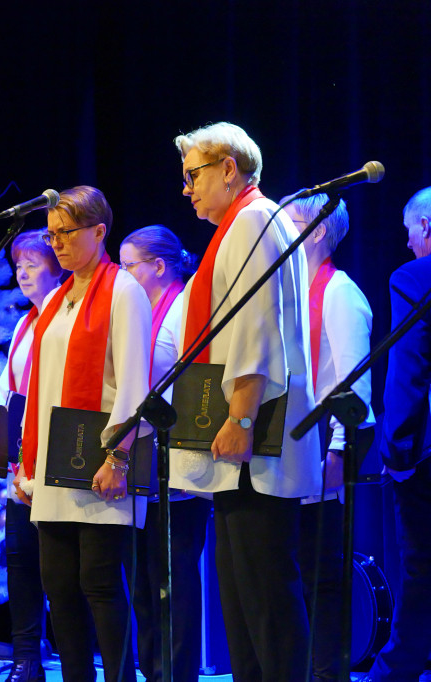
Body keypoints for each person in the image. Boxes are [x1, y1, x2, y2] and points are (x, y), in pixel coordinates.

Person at [170, 122, 321, 681]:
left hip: (255, 436)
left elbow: (256, 332)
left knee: (266, 599)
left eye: (194, 175)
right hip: (244, 444)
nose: (186, 189)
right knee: (240, 601)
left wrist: (238, 416)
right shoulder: (240, 224)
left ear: (229, 168)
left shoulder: (254, 219)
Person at [14, 186, 152, 682]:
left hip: (101, 464)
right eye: (51, 234)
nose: (56, 243)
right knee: (58, 584)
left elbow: (135, 381)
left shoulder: (124, 292)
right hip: (55, 466)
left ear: (98, 231)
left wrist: (118, 458)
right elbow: (38, 389)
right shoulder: (54, 301)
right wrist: (26, 463)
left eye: (66, 233)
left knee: (99, 583)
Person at [280, 192, 376, 681]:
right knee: (289, 579)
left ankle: (326, 675)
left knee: (321, 579)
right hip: (284, 452)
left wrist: (338, 451)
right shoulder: (286, 293)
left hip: (320, 450)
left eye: (289, 222)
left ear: (317, 231)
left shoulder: (338, 293)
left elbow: (352, 387)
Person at [118, 225, 210, 682]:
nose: (121, 274)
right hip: (141, 469)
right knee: (143, 584)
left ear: (158, 267)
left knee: (172, 583)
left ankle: (176, 674)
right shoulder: (138, 314)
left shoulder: (184, 306)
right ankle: (153, 671)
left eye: (128, 264)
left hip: (178, 470)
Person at [365, 186, 431, 682]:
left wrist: (397, 449)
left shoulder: (414, 276)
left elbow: (407, 369)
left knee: (419, 567)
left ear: (426, 227)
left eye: (410, 231)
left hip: (426, 455)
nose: (408, 243)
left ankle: (397, 671)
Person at [0, 229, 64, 682]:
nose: (21, 272)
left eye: (32, 263)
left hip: (59, 459)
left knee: (62, 570)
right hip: (22, 466)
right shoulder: (24, 324)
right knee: (20, 561)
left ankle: (79, 655)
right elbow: (8, 393)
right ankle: (26, 659)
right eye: (18, 264)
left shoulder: (65, 316)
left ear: (57, 266)